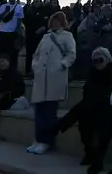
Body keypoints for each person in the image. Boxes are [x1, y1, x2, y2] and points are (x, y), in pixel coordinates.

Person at [56, 47, 112, 167]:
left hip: (110, 108)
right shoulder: (92, 75)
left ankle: (60, 125)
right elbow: (87, 95)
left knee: (91, 114)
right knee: (84, 119)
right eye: (94, 61)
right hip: (93, 108)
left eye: (100, 60)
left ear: (107, 60)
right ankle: (89, 152)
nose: (97, 64)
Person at [27, 11, 77, 155]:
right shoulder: (45, 37)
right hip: (40, 77)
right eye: (53, 20)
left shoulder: (67, 36)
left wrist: (62, 64)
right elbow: (36, 55)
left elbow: (71, 54)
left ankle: (46, 141)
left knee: (49, 112)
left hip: (55, 77)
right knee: (39, 112)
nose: (55, 23)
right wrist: (35, 67)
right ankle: (37, 139)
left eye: (58, 20)